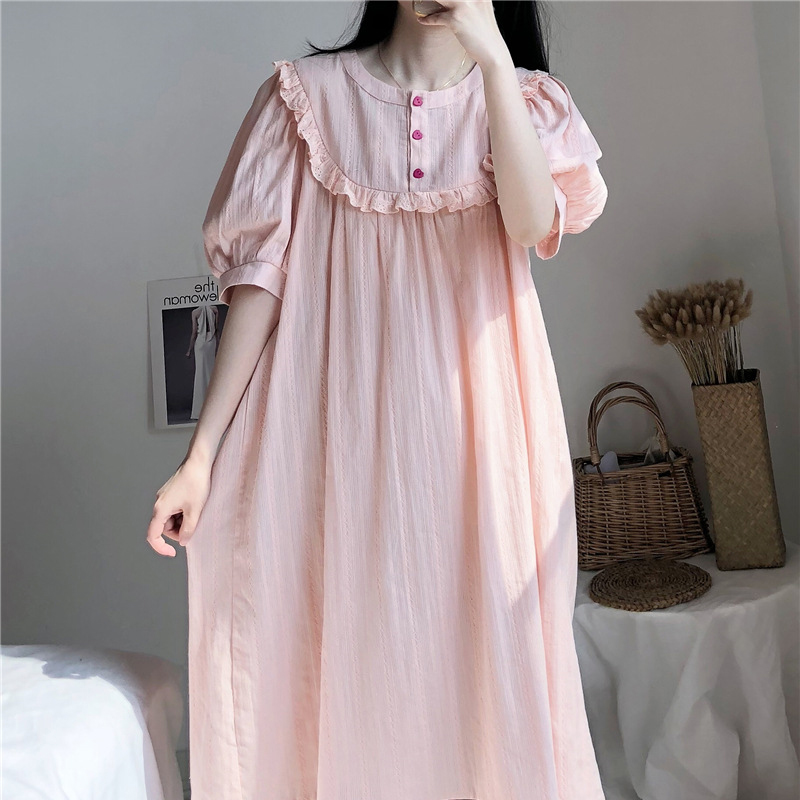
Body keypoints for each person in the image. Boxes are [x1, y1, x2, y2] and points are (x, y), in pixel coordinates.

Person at [147, 1, 609, 798]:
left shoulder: (526, 98)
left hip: (481, 447)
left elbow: (534, 222)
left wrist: (495, 62)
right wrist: (201, 457)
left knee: (486, 673)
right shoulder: (303, 100)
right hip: (334, 437)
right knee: (341, 667)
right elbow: (257, 289)